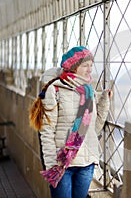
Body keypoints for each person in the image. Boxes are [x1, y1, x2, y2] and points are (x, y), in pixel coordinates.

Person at [29, 46, 112, 198]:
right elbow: (47, 131)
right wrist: (52, 164)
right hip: (62, 165)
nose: (89, 70)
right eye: (85, 65)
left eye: (91, 66)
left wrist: (104, 101)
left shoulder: (88, 91)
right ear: (73, 66)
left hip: (86, 164)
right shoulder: (54, 90)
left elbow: (94, 128)